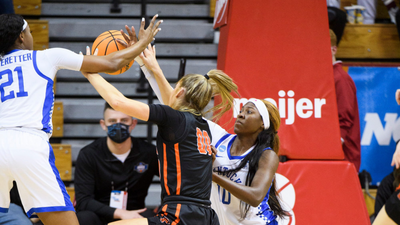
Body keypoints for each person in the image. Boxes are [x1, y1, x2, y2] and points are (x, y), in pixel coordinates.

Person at [0, 13, 161, 225]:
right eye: (30, 32)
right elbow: (113, 63)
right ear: (22, 36)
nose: (32, 37)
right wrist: (142, 43)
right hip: (28, 143)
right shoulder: (45, 56)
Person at [129, 43, 288, 224]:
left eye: (249, 112)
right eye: (242, 109)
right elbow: (177, 108)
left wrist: (211, 175)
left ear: (262, 124)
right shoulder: (218, 137)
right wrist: (151, 67)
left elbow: (255, 196)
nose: (241, 114)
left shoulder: (266, 155)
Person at [81, 42, 238, 224]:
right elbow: (172, 102)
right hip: (205, 216)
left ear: (179, 92)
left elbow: (118, 102)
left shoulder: (174, 118)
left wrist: (89, 73)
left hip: (180, 214)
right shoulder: (202, 126)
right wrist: (152, 66)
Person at [74, 102, 159, 225]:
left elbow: (174, 180)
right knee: (84, 217)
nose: (118, 125)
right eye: (113, 121)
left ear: (133, 124)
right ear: (103, 125)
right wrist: (121, 213)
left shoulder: (148, 153)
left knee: (151, 218)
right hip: (100, 215)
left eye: (124, 120)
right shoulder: (89, 154)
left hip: (135, 214)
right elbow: (84, 201)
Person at [330, 29, 362, 171]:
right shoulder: (327, 78)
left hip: (344, 160)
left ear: (334, 49)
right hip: (335, 159)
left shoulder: (341, 79)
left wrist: (332, 150)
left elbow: (345, 121)